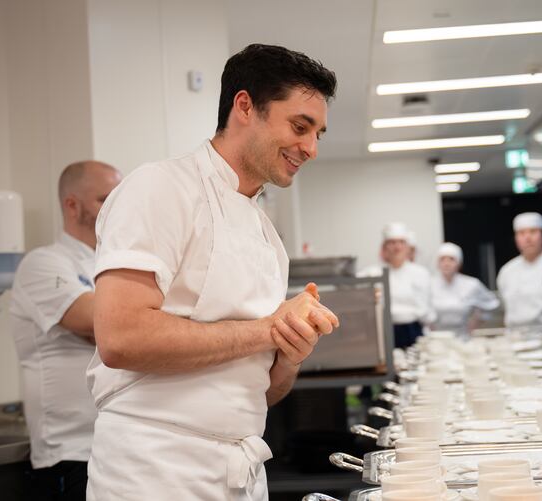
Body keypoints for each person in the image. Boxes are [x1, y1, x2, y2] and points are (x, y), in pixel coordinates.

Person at [85, 44, 340, 500]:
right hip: (154, 470)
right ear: (245, 106)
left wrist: (290, 353)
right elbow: (120, 337)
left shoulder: (267, 237)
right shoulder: (160, 188)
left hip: (239, 470)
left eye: (319, 133)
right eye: (300, 127)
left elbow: (261, 392)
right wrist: (268, 329)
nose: (311, 148)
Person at [9, 161, 122, 501]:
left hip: (121, 451)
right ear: (72, 205)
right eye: (106, 199)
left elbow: (120, 326)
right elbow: (104, 321)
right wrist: (120, 325)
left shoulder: (115, 266)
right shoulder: (43, 264)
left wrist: (119, 326)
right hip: (70, 455)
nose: (117, 209)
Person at [496, 212, 542, 349]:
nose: (528, 238)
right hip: (516, 338)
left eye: (533, 232)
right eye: (522, 233)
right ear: (516, 238)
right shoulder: (507, 271)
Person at [362, 222, 435, 349]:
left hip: (415, 331)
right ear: (385, 247)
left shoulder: (421, 273)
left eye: (401, 242)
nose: (397, 247)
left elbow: (428, 309)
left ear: (408, 247)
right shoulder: (374, 272)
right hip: (385, 332)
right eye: (392, 242)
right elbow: (346, 285)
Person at [431, 242, 499, 335]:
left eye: (451, 259)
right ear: (438, 263)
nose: (446, 263)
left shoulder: (471, 284)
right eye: (442, 259)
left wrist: (474, 323)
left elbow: (491, 304)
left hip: (463, 337)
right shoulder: (429, 284)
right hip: (437, 338)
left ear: (459, 263)